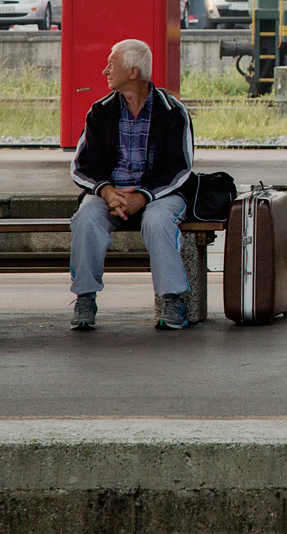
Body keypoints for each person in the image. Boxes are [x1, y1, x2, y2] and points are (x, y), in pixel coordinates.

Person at [69, 38, 195, 331]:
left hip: (160, 194)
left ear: (133, 72)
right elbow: (81, 165)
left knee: (158, 221)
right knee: (86, 218)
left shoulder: (172, 111)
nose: (105, 71)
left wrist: (145, 195)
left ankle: (173, 301)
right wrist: (106, 191)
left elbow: (181, 167)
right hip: (111, 192)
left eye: (111, 64)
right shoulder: (100, 111)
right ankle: (85, 299)